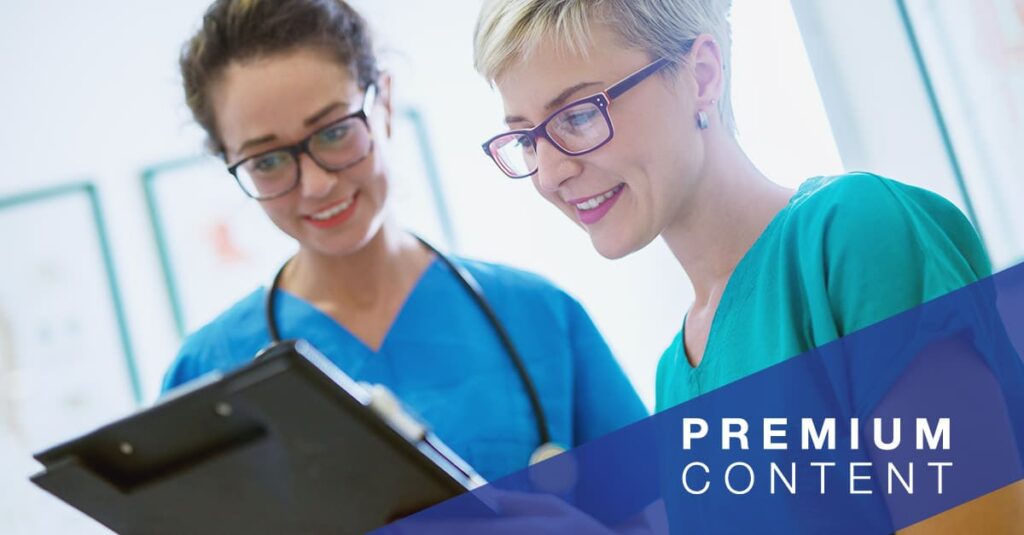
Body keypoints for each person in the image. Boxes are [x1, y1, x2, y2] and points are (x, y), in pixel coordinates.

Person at [472, 0, 1023, 531]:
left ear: (703, 76)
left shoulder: (852, 236)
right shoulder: (677, 369)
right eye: (526, 139)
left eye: (579, 114)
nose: (549, 175)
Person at [161, 0, 647, 483]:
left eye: (334, 132)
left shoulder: (539, 316)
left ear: (385, 103)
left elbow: (660, 508)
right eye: (266, 162)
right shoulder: (206, 373)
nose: (315, 184)